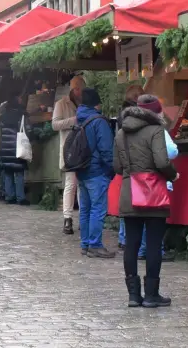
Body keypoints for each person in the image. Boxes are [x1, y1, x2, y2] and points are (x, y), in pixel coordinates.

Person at [115, 94, 177, 308]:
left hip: (129, 193)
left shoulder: (121, 133)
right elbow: (162, 161)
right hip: (153, 194)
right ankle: (151, 295)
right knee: (153, 244)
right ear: (155, 111)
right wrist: (173, 175)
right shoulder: (156, 130)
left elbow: (116, 166)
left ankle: (133, 296)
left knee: (131, 244)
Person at [75, 87, 116, 258]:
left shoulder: (79, 119)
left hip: (82, 170)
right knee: (98, 209)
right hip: (97, 171)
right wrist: (112, 169)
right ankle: (95, 245)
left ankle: (85, 244)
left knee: (85, 209)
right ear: (97, 104)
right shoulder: (99, 121)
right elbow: (106, 150)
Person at [52, 75, 86, 233]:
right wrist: (74, 120)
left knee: (82, 185)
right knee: (70, 184)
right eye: (79, 90)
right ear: (74, 90)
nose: (81, 93)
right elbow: (55, 124)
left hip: (84, 149)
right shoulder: (61, 104)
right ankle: (67, 218)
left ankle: (82, 219)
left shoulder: (85, 103)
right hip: (69, 150)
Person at [0, 98, 28, 205]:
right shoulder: (21, 115)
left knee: (8, 171)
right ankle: (20, 197)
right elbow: (28, 129)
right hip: (17, 147)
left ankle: (10, 196)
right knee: (19, 172)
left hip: (5, 148)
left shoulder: (3, 116)